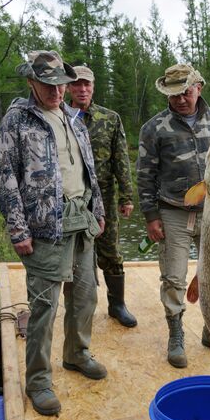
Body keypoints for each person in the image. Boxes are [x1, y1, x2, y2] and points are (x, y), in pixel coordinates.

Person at [0, 51, 107, 417]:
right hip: (43, 228)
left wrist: (99, 211)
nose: (58, 90)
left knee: (86, 296)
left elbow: (89, 168)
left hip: (81, 221)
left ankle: (77, 354)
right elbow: (5, 176)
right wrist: (17, 229)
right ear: (32, 83)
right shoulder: (17, 120)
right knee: (44, 307)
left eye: (62, 83)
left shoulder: (73, 117)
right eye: (49, 84)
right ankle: (38, 380)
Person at [136, 64, 210, 368]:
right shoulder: (154, 128)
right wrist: (150, 216)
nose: (181, 99)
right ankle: (176, 334)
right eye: (174, 94)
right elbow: (145, 175)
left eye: (186, 91)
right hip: (171, 210)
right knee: (174, 277)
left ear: (199, 87)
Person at [67, 66, 137, 328]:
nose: (82, 89)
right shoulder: (61, 117)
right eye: (76, 85)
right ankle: (79, 309)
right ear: (69, 87)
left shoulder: (110, 118)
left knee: (111, 252)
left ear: (93, 87)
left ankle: (117, 304)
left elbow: (121, 160)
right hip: (71, 200)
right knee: (74, 254)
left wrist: (127, 197)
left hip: (104, 198)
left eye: (86, 85)